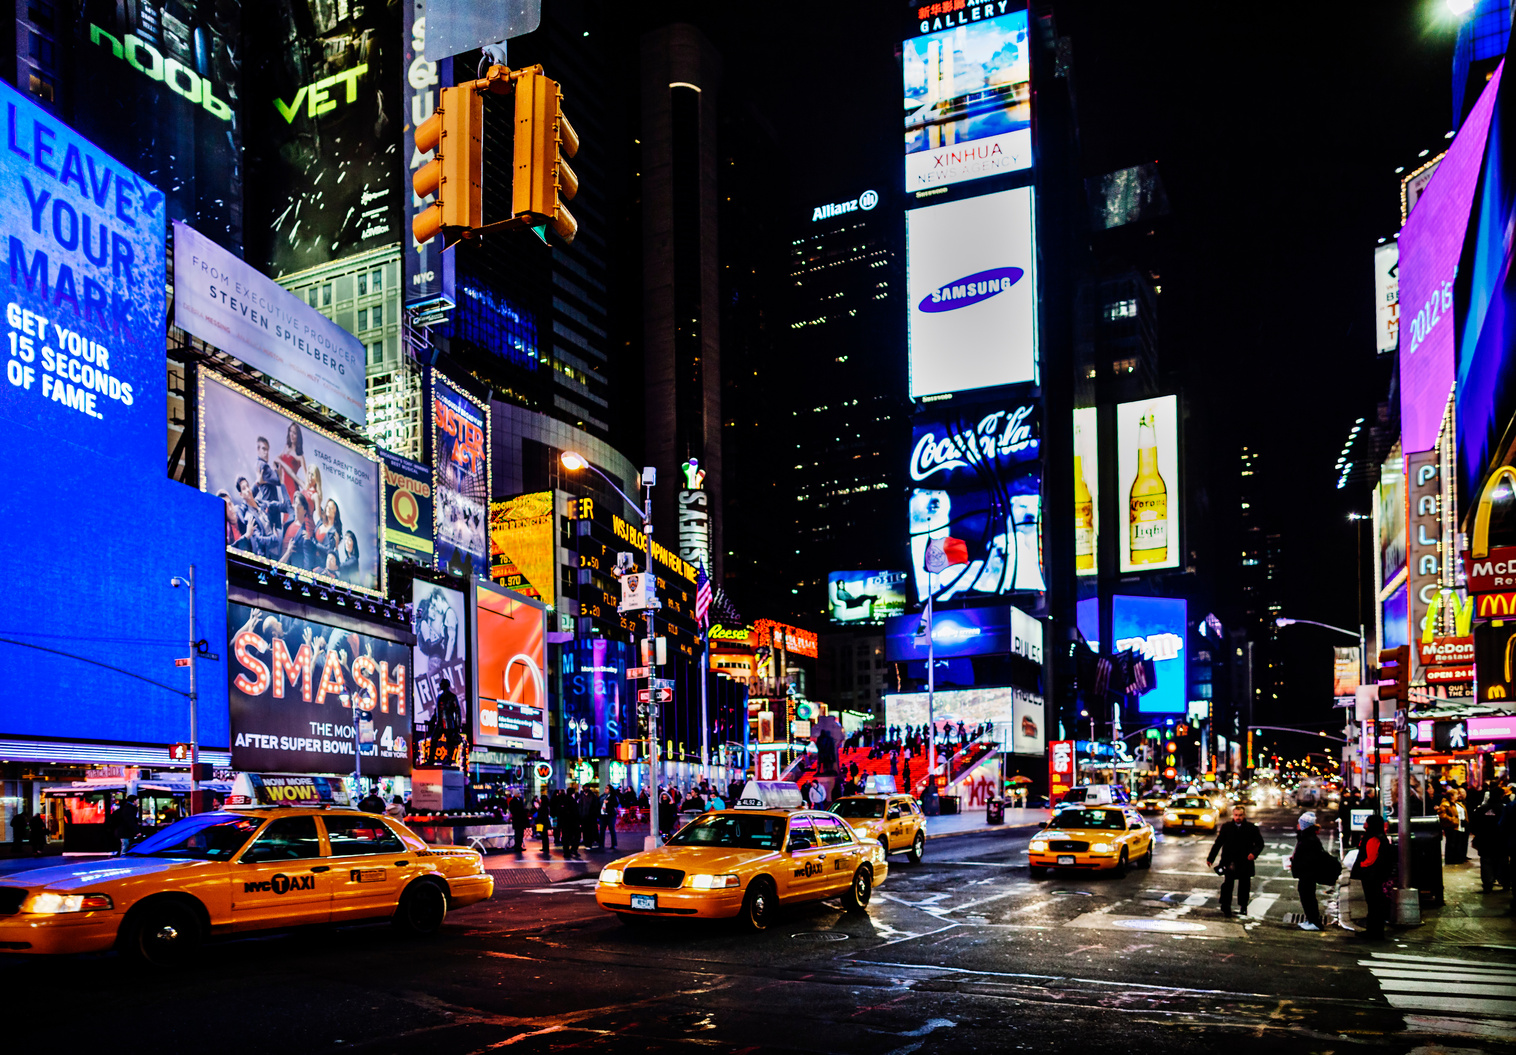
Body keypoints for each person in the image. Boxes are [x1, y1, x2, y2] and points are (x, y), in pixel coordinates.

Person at [1206, 805, 1264, 918]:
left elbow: (1260, 844)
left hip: (1245, 861)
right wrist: (1210, 858)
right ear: (1233, 815)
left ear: (1244, 815)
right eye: (1236, 815)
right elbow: (1218, 843)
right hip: (1229, 861)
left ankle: (1243, 906)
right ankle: (1226, 906)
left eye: (1240, 815)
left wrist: (1253, 853)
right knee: (1228, 884)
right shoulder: (1227, 827)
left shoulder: (1251, 828)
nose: (1238, 817)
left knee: (1244, 885)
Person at [1290, 811, 1333, 931]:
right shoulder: (1308, 837)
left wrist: (1296, 863)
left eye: (1299, 824)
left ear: (1304, 825)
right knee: (1308, 896)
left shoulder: (1308, 839)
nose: (1297, 826)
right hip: (1307, 873)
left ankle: (1314, 921)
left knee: (1307, 897)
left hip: (1307, 874)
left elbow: (1308, 858)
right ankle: (1311, 920)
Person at [1353, 813, 1394, 938]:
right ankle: (1375, 930)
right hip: (1377, 875)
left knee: (1373, 903)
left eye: (1367, 821)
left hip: (1372, 876)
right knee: (1375, 903)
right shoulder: (1380, 836)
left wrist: (1361, 865)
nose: (1364, 824)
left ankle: (1374, 932)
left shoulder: (1373, 838)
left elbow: (1370, 859)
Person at [1472, 788, 1505, 893]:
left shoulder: (1481, 808)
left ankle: (1488, 884)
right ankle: (1504, 882)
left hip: (1484, 840)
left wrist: (1478, 835)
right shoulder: (1503, 808)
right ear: (1501, 796)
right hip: (1500, 840)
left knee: (1486, 861)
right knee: (1502, 861)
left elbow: (1474, 825)